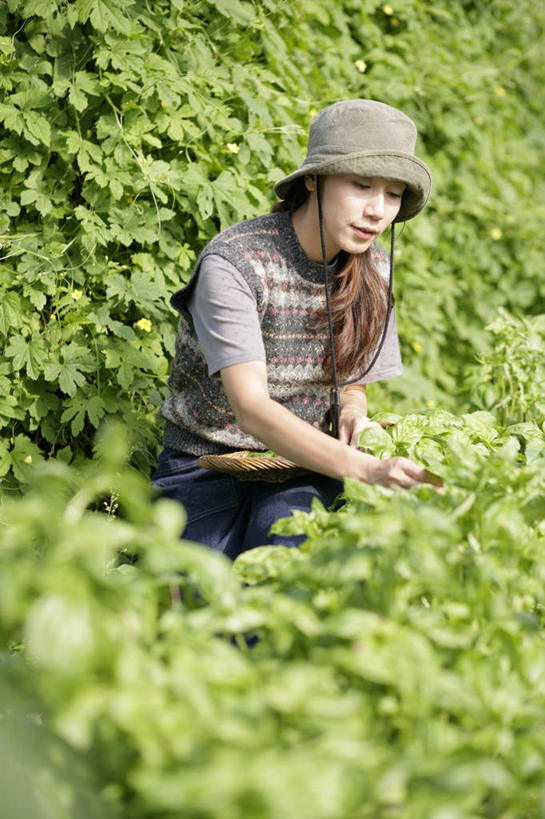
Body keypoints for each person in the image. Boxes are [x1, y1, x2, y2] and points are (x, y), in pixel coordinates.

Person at [153, 99, 434, 559]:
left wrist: (350, 411)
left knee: (288, 565)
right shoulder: (237, 263)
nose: (377, 211)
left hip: (303, 466)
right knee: (196, 596)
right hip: (204, 464)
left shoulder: (375, 271)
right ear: (313, 178)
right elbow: (251, 409)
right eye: (362, 185)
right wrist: (365, 469)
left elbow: (353, 383)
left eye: (393, 194)